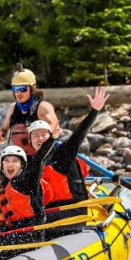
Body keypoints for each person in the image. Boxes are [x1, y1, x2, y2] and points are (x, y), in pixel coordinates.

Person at [31, 87, 109, 238]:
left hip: (74, 213)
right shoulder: (32, 163)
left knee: (32, 221)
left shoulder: (63, 154)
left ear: (51, 137)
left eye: (43, 135)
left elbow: (79, 135)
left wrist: (94, 111)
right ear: (31, 141)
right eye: (35, 136)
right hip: (49, 216)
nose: (39, 139)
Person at [0, 138, 55, 259]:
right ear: (2, 165)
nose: (10, 164)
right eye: (6, 161)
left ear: (22, 165)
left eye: (15, 161)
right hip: (14, 233)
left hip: (32, 235)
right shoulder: (1, 189)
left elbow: (38, 160)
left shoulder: (28, 181)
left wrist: (52, 138)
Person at [0, 63, 60, 143]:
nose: (18, 93)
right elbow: (3, 129)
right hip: (20, 153)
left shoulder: (43, 107)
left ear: (32, 89)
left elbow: (54, 125)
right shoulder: (13, 108)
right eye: (15, 89)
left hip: (42, 150)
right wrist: (0, 134)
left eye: (23, 89)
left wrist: (45, 137)